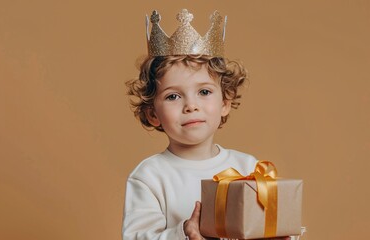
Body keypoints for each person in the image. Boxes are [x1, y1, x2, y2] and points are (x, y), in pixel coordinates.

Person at [122, 9, 290, 240]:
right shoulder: (150, 176)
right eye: (173, 96)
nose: (191, 106)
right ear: (153, 114)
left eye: (204, 91)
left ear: (225, 103)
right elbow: (136, 237)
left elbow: (265, 225)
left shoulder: (249, 168)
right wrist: (183, 232)